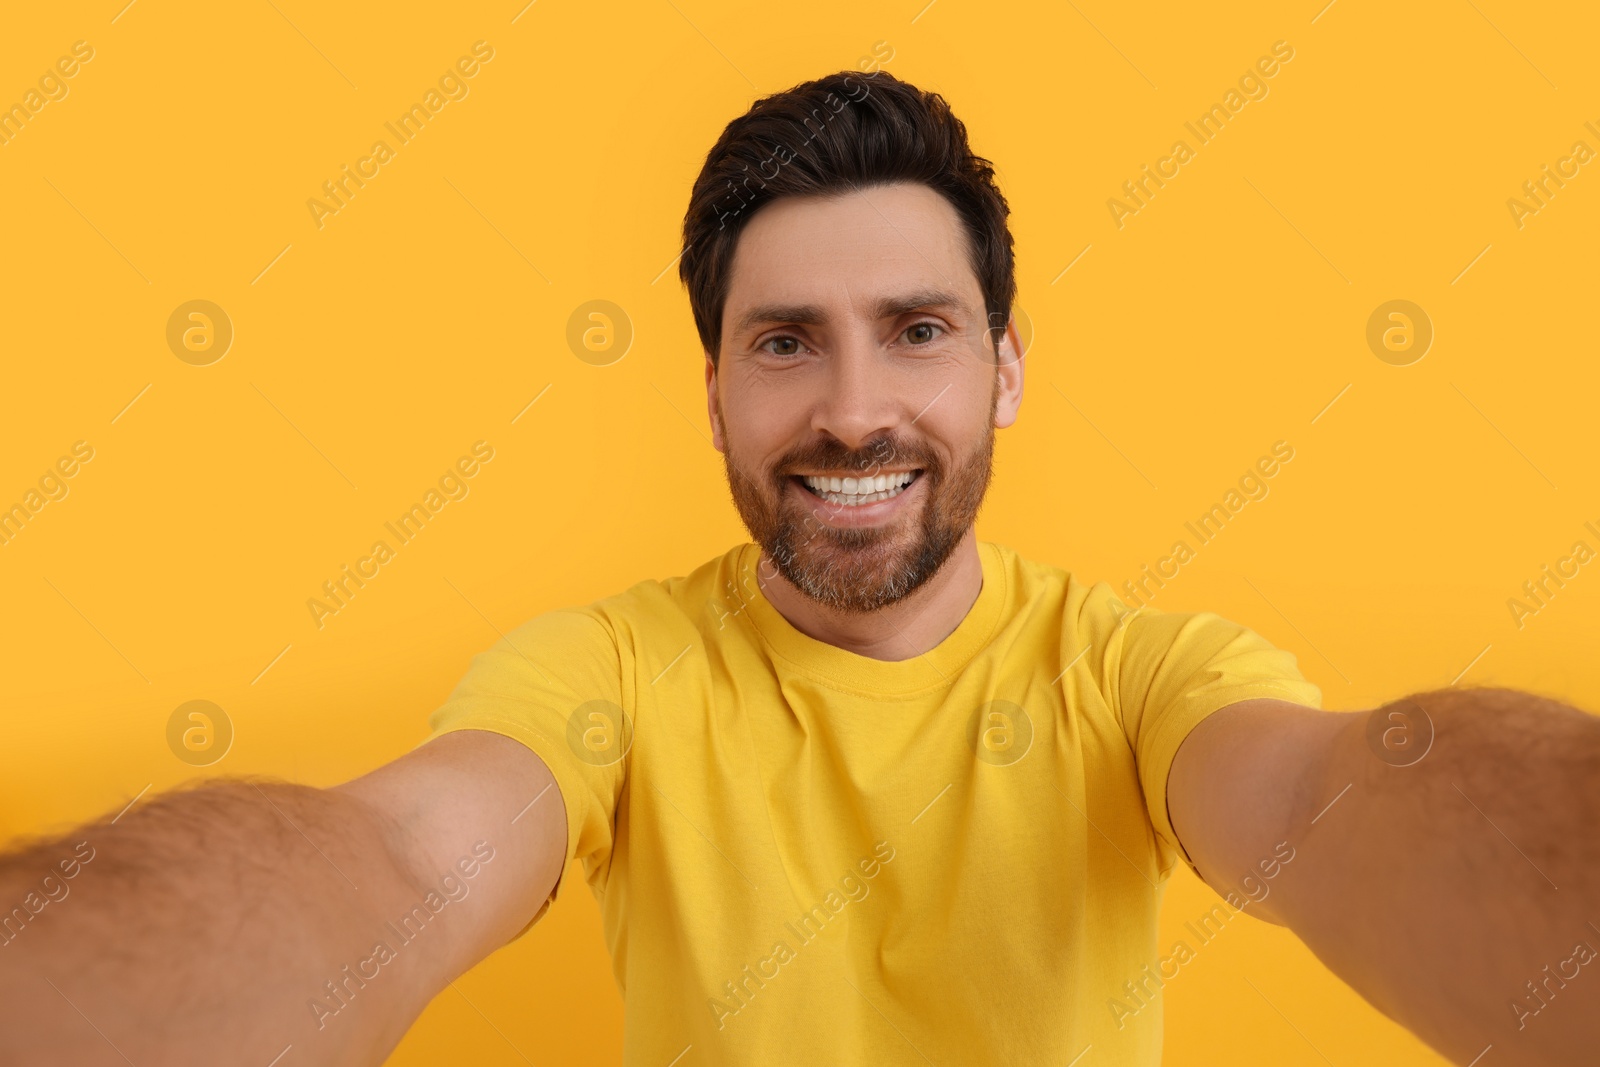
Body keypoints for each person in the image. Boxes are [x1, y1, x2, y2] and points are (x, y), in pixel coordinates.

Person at [1, 69, 1596, 1067]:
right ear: (712, 394)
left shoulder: (1137, 676)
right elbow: (403, 869)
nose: (850, 409)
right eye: (783, 342)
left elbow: (1331, 801)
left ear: (1006, 368)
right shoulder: (609, 675)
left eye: (916, 330)